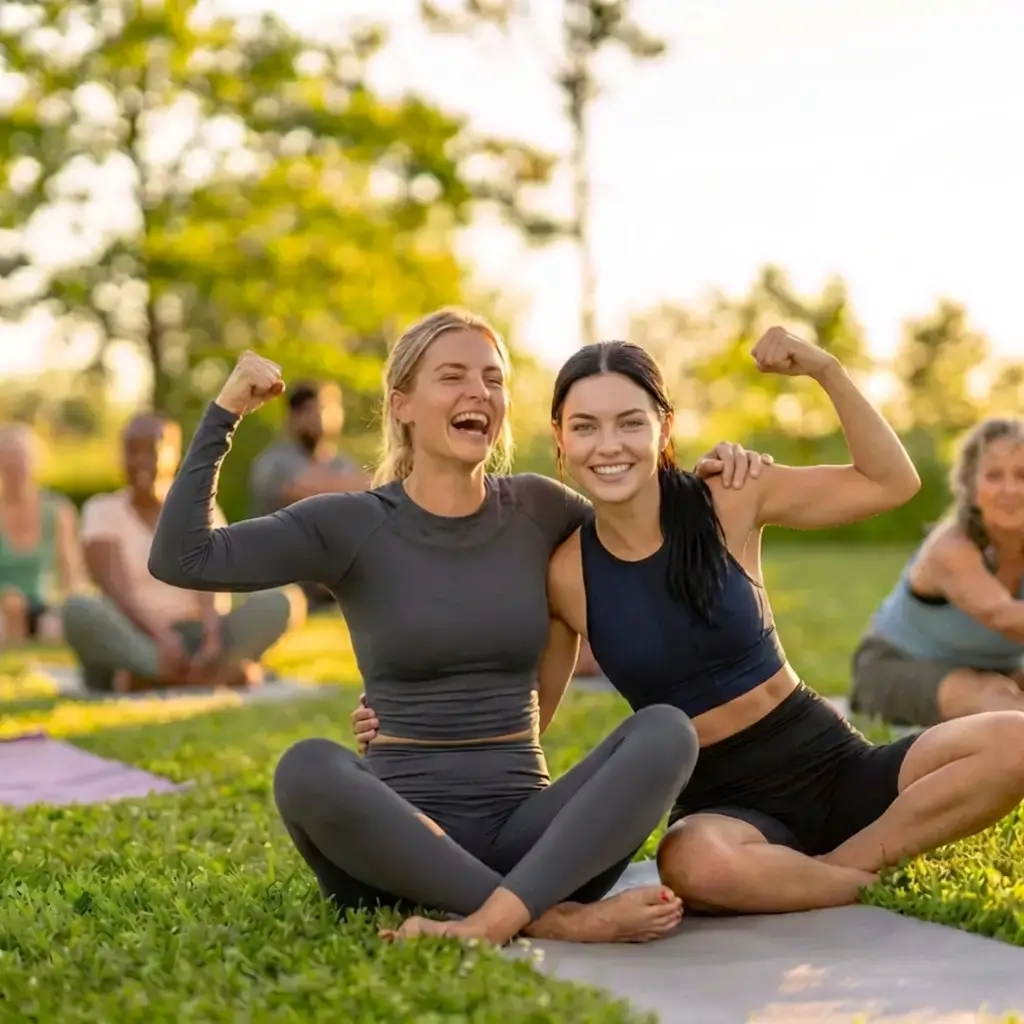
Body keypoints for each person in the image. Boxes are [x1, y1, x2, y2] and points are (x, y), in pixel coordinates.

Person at [146, 307, 768, 946]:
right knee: (305, 767)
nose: (480, 393)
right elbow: (181, 557)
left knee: (665, 731)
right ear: (403, 404)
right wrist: (224, 413)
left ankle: (498, 916)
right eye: (453, 377)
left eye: (493, 379)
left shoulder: (539, 507)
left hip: (531, 843)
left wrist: (715, 477)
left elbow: (643, 518)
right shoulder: (348, 525)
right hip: (396, 854)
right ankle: (553, 920)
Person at [355, 331, 1024, 917]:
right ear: (559, 437)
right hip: (725, 806)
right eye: (585, 426)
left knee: (1014, 741)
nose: (608, 445)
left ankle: (848, 866)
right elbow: (526, 717)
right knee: (692, 866)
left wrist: (825, 369)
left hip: (832, 762)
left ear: (663, 430)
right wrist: (412, 723)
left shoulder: (728, 496)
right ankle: (851, 880)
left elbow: (890, 483)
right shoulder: (565, 573)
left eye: (630, 423)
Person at [63, 413, 300, 692]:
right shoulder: (101, 510)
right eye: (131, 451)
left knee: (284, 601)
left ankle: (154, 678)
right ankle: (189, 672)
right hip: (135, 636)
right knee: (78, 609)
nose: (139, 461)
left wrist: (212, 636)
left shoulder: (198, 508)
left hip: (195, 636)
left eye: (150, 450)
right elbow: (117, 589)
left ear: (174, 455)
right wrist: (161, 637)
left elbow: (213, 580)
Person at [849, 417, 1024, 726]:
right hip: (897, 665)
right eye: (994, 476)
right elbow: (1001, 615)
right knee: (1003, 705)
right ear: (971, 488)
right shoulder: (950, 546)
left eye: (1022, 475)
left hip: (999, 669)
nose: (1010, 489)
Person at [249, 381, 369, 612]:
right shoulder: (274, 462)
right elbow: (306, 490)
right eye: (308, 411)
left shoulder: (344, 465)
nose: (318, 418)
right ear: (291, 417)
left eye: (325, 409)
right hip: (286, 575)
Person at [0, 424, 86, 645]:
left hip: (45, 608)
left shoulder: (58, 511)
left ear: (36, 462)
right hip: (3, 609)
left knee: (58, 627)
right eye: (8, 457)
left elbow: (72, 578)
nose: (15, 466)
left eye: (22, 457)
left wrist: (68, 607)